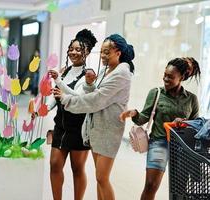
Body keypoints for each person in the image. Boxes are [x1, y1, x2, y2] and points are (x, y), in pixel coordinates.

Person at [52, 34, 135, 200]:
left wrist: (66, 99)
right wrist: (90, 84)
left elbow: (97, 100)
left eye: (106, 52)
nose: (103, 56)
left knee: (101, 178)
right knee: (99, 178)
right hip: (95, 128)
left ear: (118, 53)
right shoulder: (106, 70)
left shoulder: (121, 73)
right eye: (102, 52)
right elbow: (94, 93)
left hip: (109, 129)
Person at [120, 57, 200, 200]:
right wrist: (134, 113)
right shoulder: (156, 93)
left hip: (182, 147)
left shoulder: (191, 99)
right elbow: (144, 117)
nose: (165, 79)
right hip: (159, 142)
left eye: (170, 77)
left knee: (179, 190)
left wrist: (183, 123)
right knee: (151, 185)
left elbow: (196, 125)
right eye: (165, 75)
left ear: (181, 77)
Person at [48, 29, 97, 200]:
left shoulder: (89, 75)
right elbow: (57, 95)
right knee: (54, 164)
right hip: (60, 126)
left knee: (77, 168)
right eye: (71, 49)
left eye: (78, 49)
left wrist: (59, 82)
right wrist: (44, 109)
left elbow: (80, 97)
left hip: (79, 128)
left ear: (87, 52)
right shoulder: (64, 71)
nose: (73, 52)